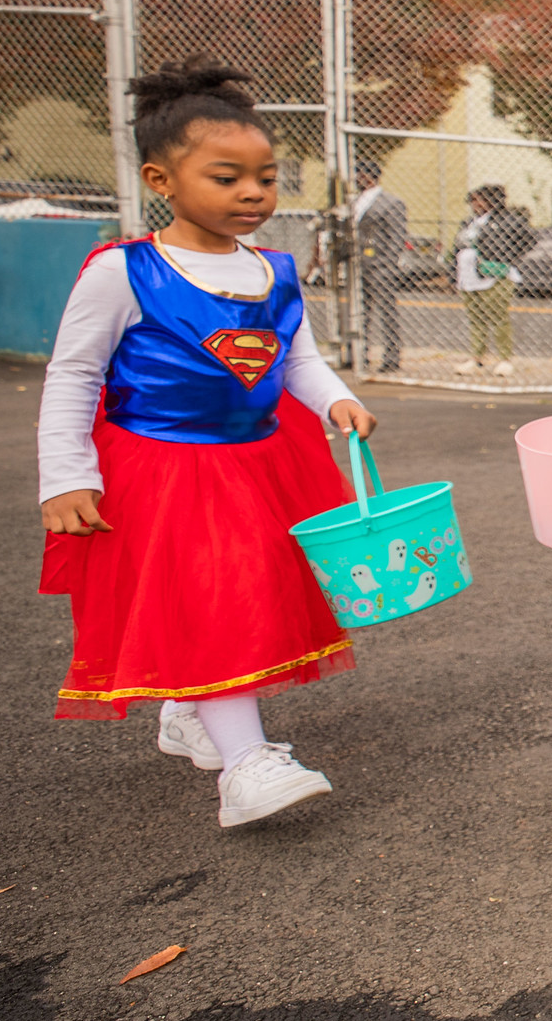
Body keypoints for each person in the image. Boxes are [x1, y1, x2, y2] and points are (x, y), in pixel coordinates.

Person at [36, 56, 376, 828]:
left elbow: (297, 358)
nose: (253, 192)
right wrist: (64, 475)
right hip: (161, 469)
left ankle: (193, 712)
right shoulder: (124, 271)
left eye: (265, 176)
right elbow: (72, 375)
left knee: (239, 590)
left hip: (256, 464)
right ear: (162, 179)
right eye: (227, 177)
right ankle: (246, 766)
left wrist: (338, 401)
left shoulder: (275, 270)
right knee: (214, 595)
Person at [455, 183, 532, 377]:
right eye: (473, 200)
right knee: (476, 318)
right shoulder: (469, 222)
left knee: (498, 317)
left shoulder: (507, 220)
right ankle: (477, 356)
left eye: (481, 200)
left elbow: (529, 239)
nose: (476, 204)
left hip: (495, 275)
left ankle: (505, 358)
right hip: (469, 276)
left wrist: (507, 258)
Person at [350, 158, 406, 373]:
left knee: (386, 312)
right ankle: (360, 354)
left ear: (368, 176)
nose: (356, 179)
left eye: (359, 175)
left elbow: (397, 236)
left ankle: (392, 356)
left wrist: (389, 264)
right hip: (359, 263)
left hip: (380, 264)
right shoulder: (355, 201)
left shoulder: (391, 202)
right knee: (360, 312)